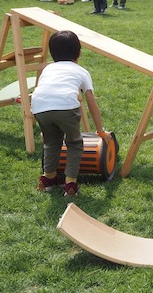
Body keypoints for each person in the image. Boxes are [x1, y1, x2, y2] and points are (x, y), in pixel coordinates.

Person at [31, 30, 110, 197]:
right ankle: (70, 183)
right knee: (74, 143)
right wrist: (100, 130)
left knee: (51, 142)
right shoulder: (81, 71)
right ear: (79, 52)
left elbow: (44, 90)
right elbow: (91, 102)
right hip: (66, 107)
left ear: (52, 54)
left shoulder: (48, 69)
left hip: (39, 107)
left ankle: (48, 179)